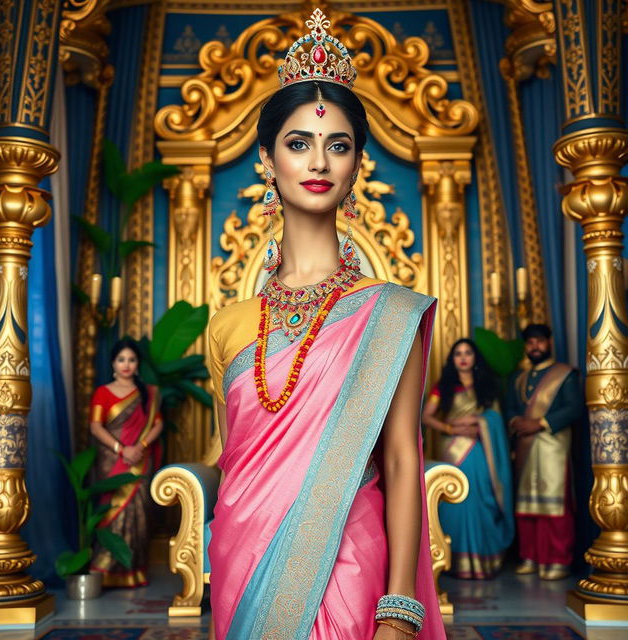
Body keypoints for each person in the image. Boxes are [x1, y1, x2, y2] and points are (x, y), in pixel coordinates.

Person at [206, 9, 444, 640]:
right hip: (240, 558)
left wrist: (398, 610)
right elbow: (233, 463)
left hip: (352, 562)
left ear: (357, 164)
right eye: (299, 143)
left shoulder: (389, 313)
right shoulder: (228, 327)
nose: (319, 161)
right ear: (266, 159)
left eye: (338, 145)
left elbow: (399, 461)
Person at [422, 339, 514, 579]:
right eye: (458, 354)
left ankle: (482, 561)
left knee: (479, 498)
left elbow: (494, 418)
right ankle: (454, 562)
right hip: (454, 450)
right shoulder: (444, 386)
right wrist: (451, 429)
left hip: (480, 450)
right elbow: (426, 417)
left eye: (468, 353)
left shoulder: (486, 386)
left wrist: (479, 423)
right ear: (452, 359)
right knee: (456, 502)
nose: (463, 358)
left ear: (475, 358)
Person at [505, 324, 581, 580]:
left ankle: (557, 559)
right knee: (526, 505)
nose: (534, 346)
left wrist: (539, 423)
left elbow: (574, 408)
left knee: (554, 507)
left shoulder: (565, 375)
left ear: (549, 342)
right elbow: (510, 408)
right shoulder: (519, 378)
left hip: (553, 447)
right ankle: (531, 557)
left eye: (539, 341)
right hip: (525, 446)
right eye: (530, 343)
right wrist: (517, 422)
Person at [89, 338, 163, 587]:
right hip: (112, 462)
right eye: (122, 359)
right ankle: (105, 569)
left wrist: (140, 448)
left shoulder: (147, 393)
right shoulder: (103, 392)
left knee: (138, 514)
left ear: (137, 363)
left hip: (140, 461)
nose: (126, 364)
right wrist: (122, 449)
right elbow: (95, 426)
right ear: (113, 363)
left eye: (131, 359)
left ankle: (133, 571)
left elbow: (158, 424)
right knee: (111, 511)